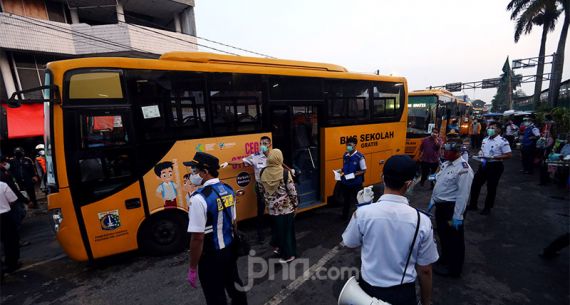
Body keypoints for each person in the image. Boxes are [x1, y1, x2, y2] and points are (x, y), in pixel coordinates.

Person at [342, 155, 438, 305]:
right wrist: (426, 301)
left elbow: (349, 242)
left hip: (366, 291)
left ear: (382, 177)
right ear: (409, 184)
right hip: (402, 294)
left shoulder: (364, 213)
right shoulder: (422, 221)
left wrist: (361, 209)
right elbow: (425, 269)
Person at [185, 152, 248, 305]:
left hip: (211, 256)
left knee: (215, 296)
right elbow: (234, 222)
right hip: (229, 249)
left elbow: (197, 238)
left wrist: (193, 268)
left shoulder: (198, 198)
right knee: (235, 287)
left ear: (205, 172)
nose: (191, 175)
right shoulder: (228, 189)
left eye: (194, 171)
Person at [430, 138, 474, 278]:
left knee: (455, 239)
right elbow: (439, 184)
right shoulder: (446, 164)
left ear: (456, 152)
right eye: (443, 150)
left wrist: (457, 216)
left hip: (452, 209)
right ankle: (445, 259)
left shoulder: (463, 169)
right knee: (443, 235)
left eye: (447, 151)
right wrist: (432, 201)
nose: (444, 153)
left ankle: (454, 269)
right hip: (441, 207)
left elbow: (463, 195)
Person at [221, 136, 273, 242]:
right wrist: (228, 163)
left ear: (269, 145)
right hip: (261, 187)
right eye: (261, 143)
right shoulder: (255, 156)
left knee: (273, 208)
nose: (263, 145)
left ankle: (275, 231)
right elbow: (241, 161)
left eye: (265, 143)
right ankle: (260, 235)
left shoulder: (273, 156)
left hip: (272, 186)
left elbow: (281, 164)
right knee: (261, 210)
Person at [259, 149, 298, 263]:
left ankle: (279, 248)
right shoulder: (285, 172)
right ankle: (288, 255)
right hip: (286, 209)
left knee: (277, 230)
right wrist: (295, 205)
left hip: (272, 209)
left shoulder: (263, 172)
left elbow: (261, 190)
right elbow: (292, 191)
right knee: (287, 233)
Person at [468, 122, 512, 215]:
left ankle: (487, 208)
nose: (490, 129)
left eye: (493, 128)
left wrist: (494, 157)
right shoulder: (485, 139)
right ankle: (473, 205)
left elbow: (508, 155)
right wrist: (480, 154)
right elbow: (482, 150)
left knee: (491, 188)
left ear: (499, 130)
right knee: (475, 184)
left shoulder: (503, 141)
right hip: (484, 165)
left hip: (495, 166)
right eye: (489, 127)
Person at [337, 137, 367, 220]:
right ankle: (344, 217)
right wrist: (340, 171)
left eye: (350, 145)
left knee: (358, 201)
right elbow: (344, 168)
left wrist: (354, 175)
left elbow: (364, 170)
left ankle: (361, 218)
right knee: (346, 201)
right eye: (347, 145)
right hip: (346, 183)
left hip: (356, 184)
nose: (348, 146)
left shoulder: (359, 157)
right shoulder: (345, 155)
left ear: (355, 145)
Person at [0, 181, 21, 273]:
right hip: (4, 217)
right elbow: (12, 200)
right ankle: (11, 264)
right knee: (10, 241)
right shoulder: (2, 185)